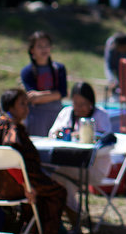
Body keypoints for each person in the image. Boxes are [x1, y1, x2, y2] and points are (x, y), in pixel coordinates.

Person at [0, 88, 67, 234]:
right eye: (22, 104)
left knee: (44, 188)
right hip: (13, 185)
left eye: (27, 104)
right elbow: (9, 155)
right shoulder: (12, 127)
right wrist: (25, 185)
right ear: (10, 107)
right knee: (57, 191)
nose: (26, 108)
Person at [48, 82, 113, 220]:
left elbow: (104, 142)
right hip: (68, 164)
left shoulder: (100, 115)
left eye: (83, 104)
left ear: (91, 102)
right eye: (75, 103)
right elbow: (52, 134)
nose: (79, 108)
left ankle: (74, 214)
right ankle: (73, 214)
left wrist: (79, 135)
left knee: (58, 175)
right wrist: (62, 134)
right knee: (57, 176)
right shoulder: (66, 113)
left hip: (93, 168)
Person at [19, 31, 67, 137]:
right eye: (40, 46)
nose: (44, 49)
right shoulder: (27, 71)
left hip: (57, 115)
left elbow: (63, 93)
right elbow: (32, 98)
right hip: (37, 117)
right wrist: (53, 94)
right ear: (32, 50)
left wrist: (39, 95)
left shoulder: (59, 68)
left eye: (46, 46)